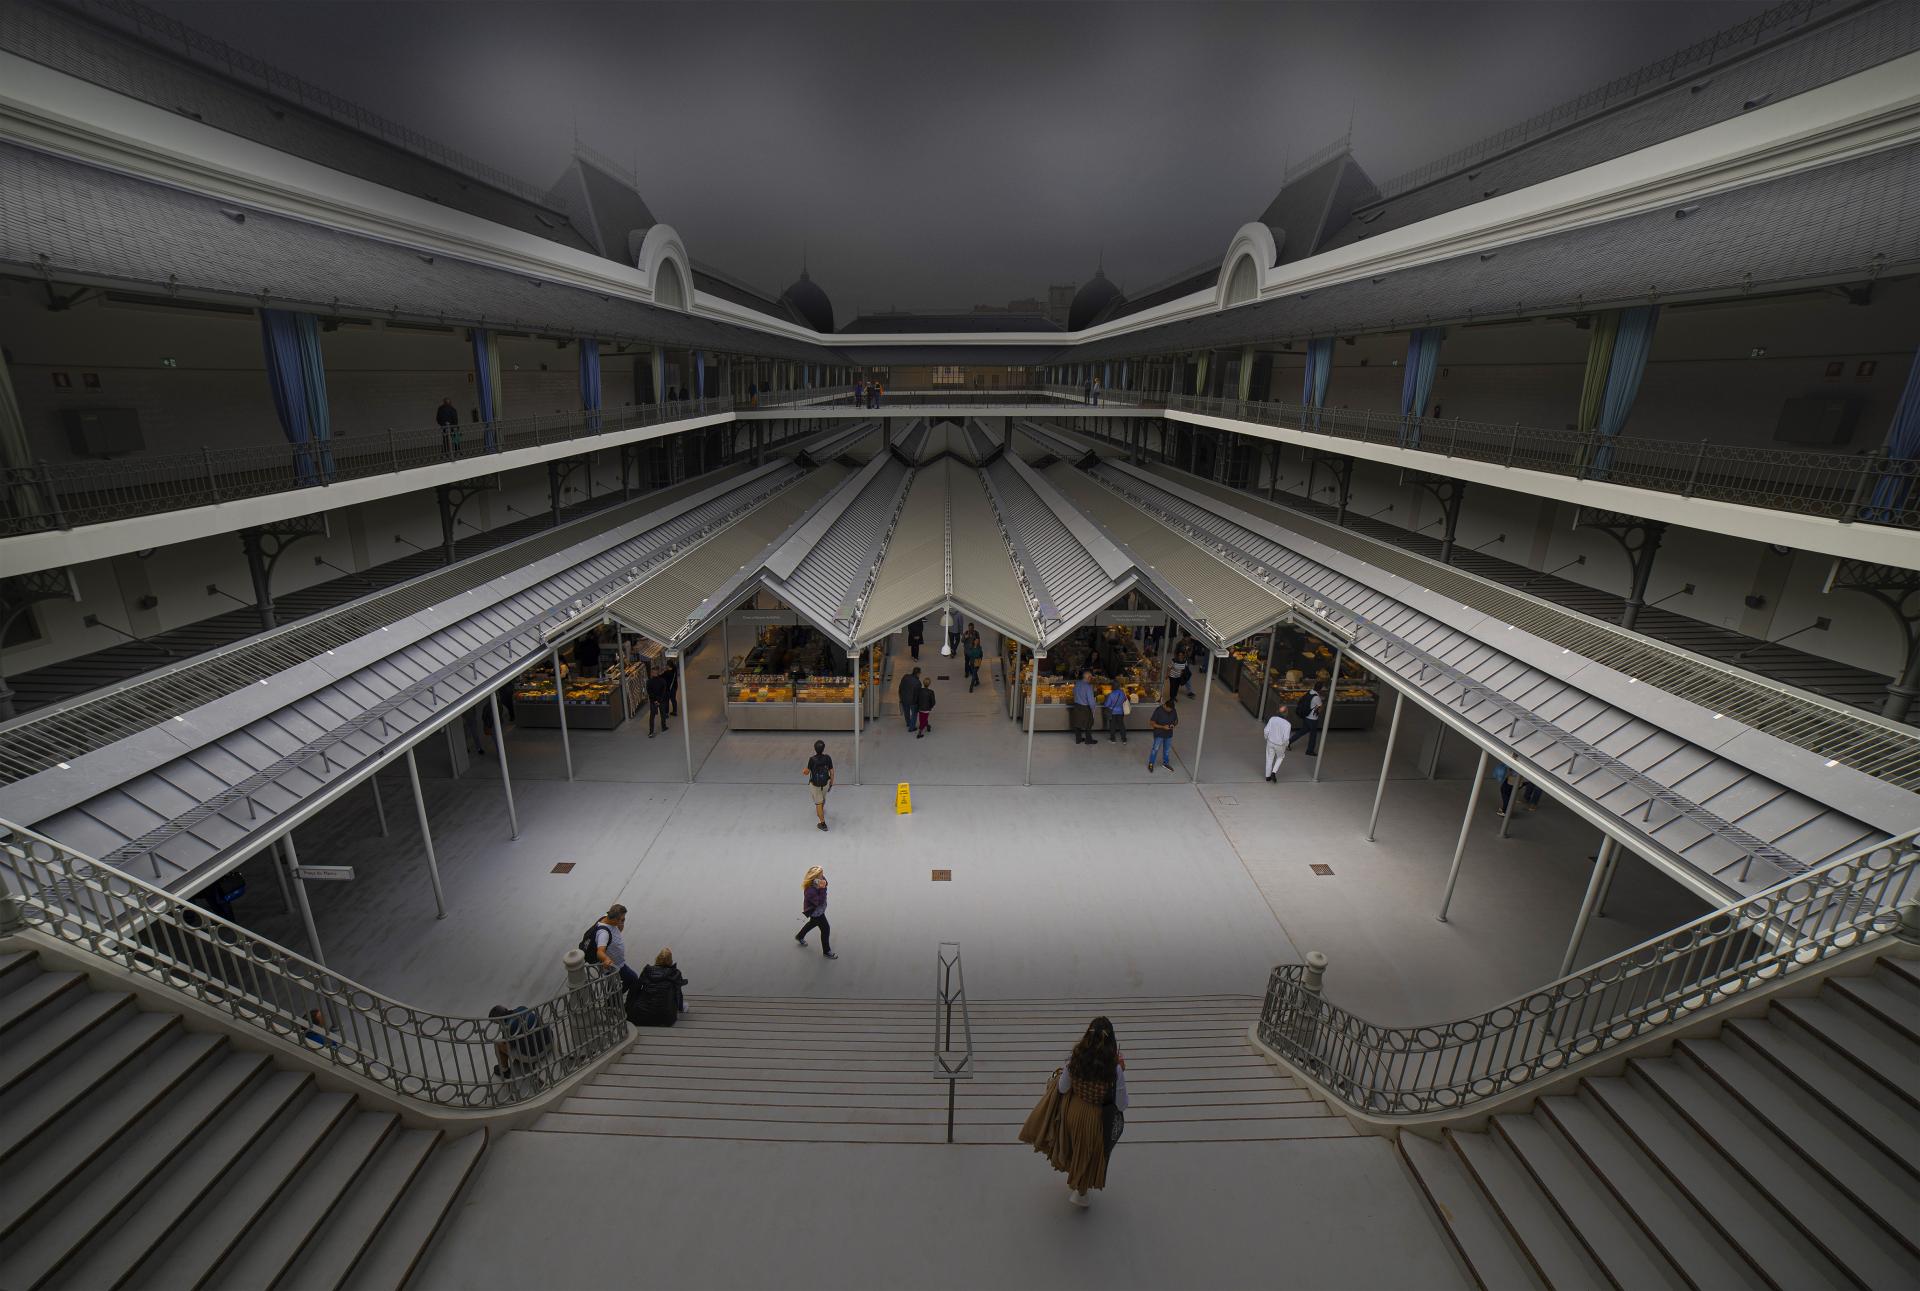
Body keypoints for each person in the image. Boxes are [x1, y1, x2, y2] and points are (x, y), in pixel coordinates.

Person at [1018, 1016, 1128, 1208]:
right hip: (1096, 1118)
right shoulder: (1115, 1070)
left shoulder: (1075, 1058)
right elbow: (1121, 1104)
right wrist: (1121, 1071)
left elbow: (1062, 1088)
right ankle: (1080, 1192)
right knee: (1087, 1152)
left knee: (1076, 1146)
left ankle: (1076, 1183)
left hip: (1073, 1113)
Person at [625, 948, 689, 1026]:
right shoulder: (675, 973)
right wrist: (680, 1008)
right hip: (665, 1019)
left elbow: (634, 989)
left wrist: (627, 1007)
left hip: (641, 1016)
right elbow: (678, 993)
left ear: (657, 958)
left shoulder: (647, 970)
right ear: (670, 961)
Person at [489, 1004, 553, 1078]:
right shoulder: (522, 1008)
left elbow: (509, 1046)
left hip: (535, 1055)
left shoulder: (507, 1027)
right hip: (549, 1042)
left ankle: (504, 1070)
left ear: (498, 1020)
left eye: (496, 1023)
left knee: (498, 1044)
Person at [580, 905, 635, 985]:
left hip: (618, 964)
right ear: (614, 919)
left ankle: (612, 996)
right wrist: (606, 959)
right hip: (613, 966)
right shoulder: (603, 933)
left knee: (615, 985)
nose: (623, 920)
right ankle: (614, 997)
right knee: (634, 980)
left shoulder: (607, 917)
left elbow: (619, 930)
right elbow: (600, 952)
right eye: (622, 919)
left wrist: (621, 922)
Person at [795, 866, 836, 959]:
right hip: (816, 912)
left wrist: (823, 884)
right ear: (815, 877)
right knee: (825, 929)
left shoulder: (819, 880)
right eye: (821, 875)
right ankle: (826, 951)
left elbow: (825, 882)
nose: (823, 877)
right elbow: (819, 901)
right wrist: (822, 888)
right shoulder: (810, 891)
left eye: (822, 874)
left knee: (812, 923)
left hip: (820, 910)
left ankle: (799, 936)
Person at [805, 739, 834, 832]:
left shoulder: (812, 759)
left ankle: (822, 823)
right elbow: (832, 771)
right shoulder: (827, 758)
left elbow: (807, 772)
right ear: (823, 748)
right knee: (822, 798)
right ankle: (821, 808)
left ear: (815, 749)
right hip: (825, 784)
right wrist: (831, 783)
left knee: (818, 803)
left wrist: (804, 771)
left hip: (815, 785)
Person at [1289, 683, 1325, 757]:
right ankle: (1310, 751)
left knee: (1302, 731)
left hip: (1306, 716)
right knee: (1313, 735)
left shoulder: (1310, 692)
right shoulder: (1316, 697)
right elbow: (1320, 709)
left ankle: (1288, 742)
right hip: (1312, 719)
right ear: (1320, 689)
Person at [1147, 697, 1178, 773]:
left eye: (1171, 710)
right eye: (1169, 709)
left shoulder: (1173, 710)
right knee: (1155, 749)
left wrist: (1173, 725)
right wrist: (1163, 727)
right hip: (1159, 734)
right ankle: (1151, 763)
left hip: (1169, 734)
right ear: (1165, 706)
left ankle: (1166, 763)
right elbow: (1152, 723)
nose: (1170, 711)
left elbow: (1176, 720)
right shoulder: (1158, 711)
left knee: (1167, 750)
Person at [1262, 710, 1292, 782]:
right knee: (1280, 757)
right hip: (1280, 745)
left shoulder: (1272, 719)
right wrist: (1286, 745)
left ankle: (1267, 776)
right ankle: (1274, 772)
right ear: (1286, 715)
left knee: (1269, 758)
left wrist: (1266, 738)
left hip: (1270, 742)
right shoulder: (1288, 724)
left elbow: (1266, 730)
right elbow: (1286, 738)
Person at [1070, 670, 1098, 746]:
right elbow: (1091, 700)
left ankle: (1078, 739)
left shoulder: (1077, 683)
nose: (1091, 679)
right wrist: (1093, 708)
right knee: (1088, 724)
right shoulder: (1088, 687)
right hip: (1085, 708)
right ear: (1088, 678)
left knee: (1077, 723)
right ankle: (1088, 740)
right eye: (1091, 677)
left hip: (1076, 706)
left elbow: (1073, 692)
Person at [645, 664, 673, 737]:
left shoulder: (649, 682)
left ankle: (651, 732)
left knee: (652, 716)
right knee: (663, 714)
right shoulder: (662, 681)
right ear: (658, 673)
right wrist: (659, 700)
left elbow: (649, 692)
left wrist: (654, 700)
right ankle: (663, 727)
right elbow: (663, 691)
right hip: (662, 701)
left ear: (652, 673)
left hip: (653, 702)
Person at [899, 665, 923, 734]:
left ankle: (908, 723)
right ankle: (912, 727)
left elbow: (900, 687)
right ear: (918, 673)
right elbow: (918, 694)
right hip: (912, 701)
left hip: (904, 698)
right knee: (914, 714)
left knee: (906, 712)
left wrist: (900, 696)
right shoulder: (918, 683)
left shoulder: (905, 677)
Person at [963, 627, 984, 692]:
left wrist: (978, 658)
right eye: (976, 640)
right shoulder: (971, 647)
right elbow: (969, 654)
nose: (977, 642)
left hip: (977, 662)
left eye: (978, 641)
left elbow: (980, 655)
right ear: (974, 641)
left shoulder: (979, 648)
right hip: (972, 662)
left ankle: (971, 687)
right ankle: (977, 681)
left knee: (974, 674)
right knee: (974, 673)